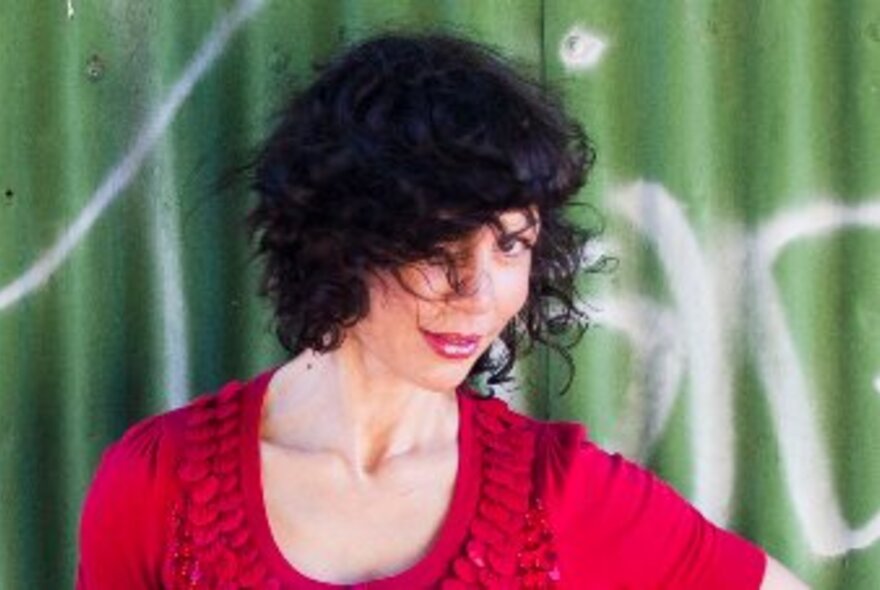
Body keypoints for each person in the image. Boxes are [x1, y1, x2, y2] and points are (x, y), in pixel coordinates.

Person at [76, 32, 809, 589]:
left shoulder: (554, 493)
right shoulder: (160, 486)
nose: (479, 292)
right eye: (437, 248)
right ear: (341, 238)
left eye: (512, 245)